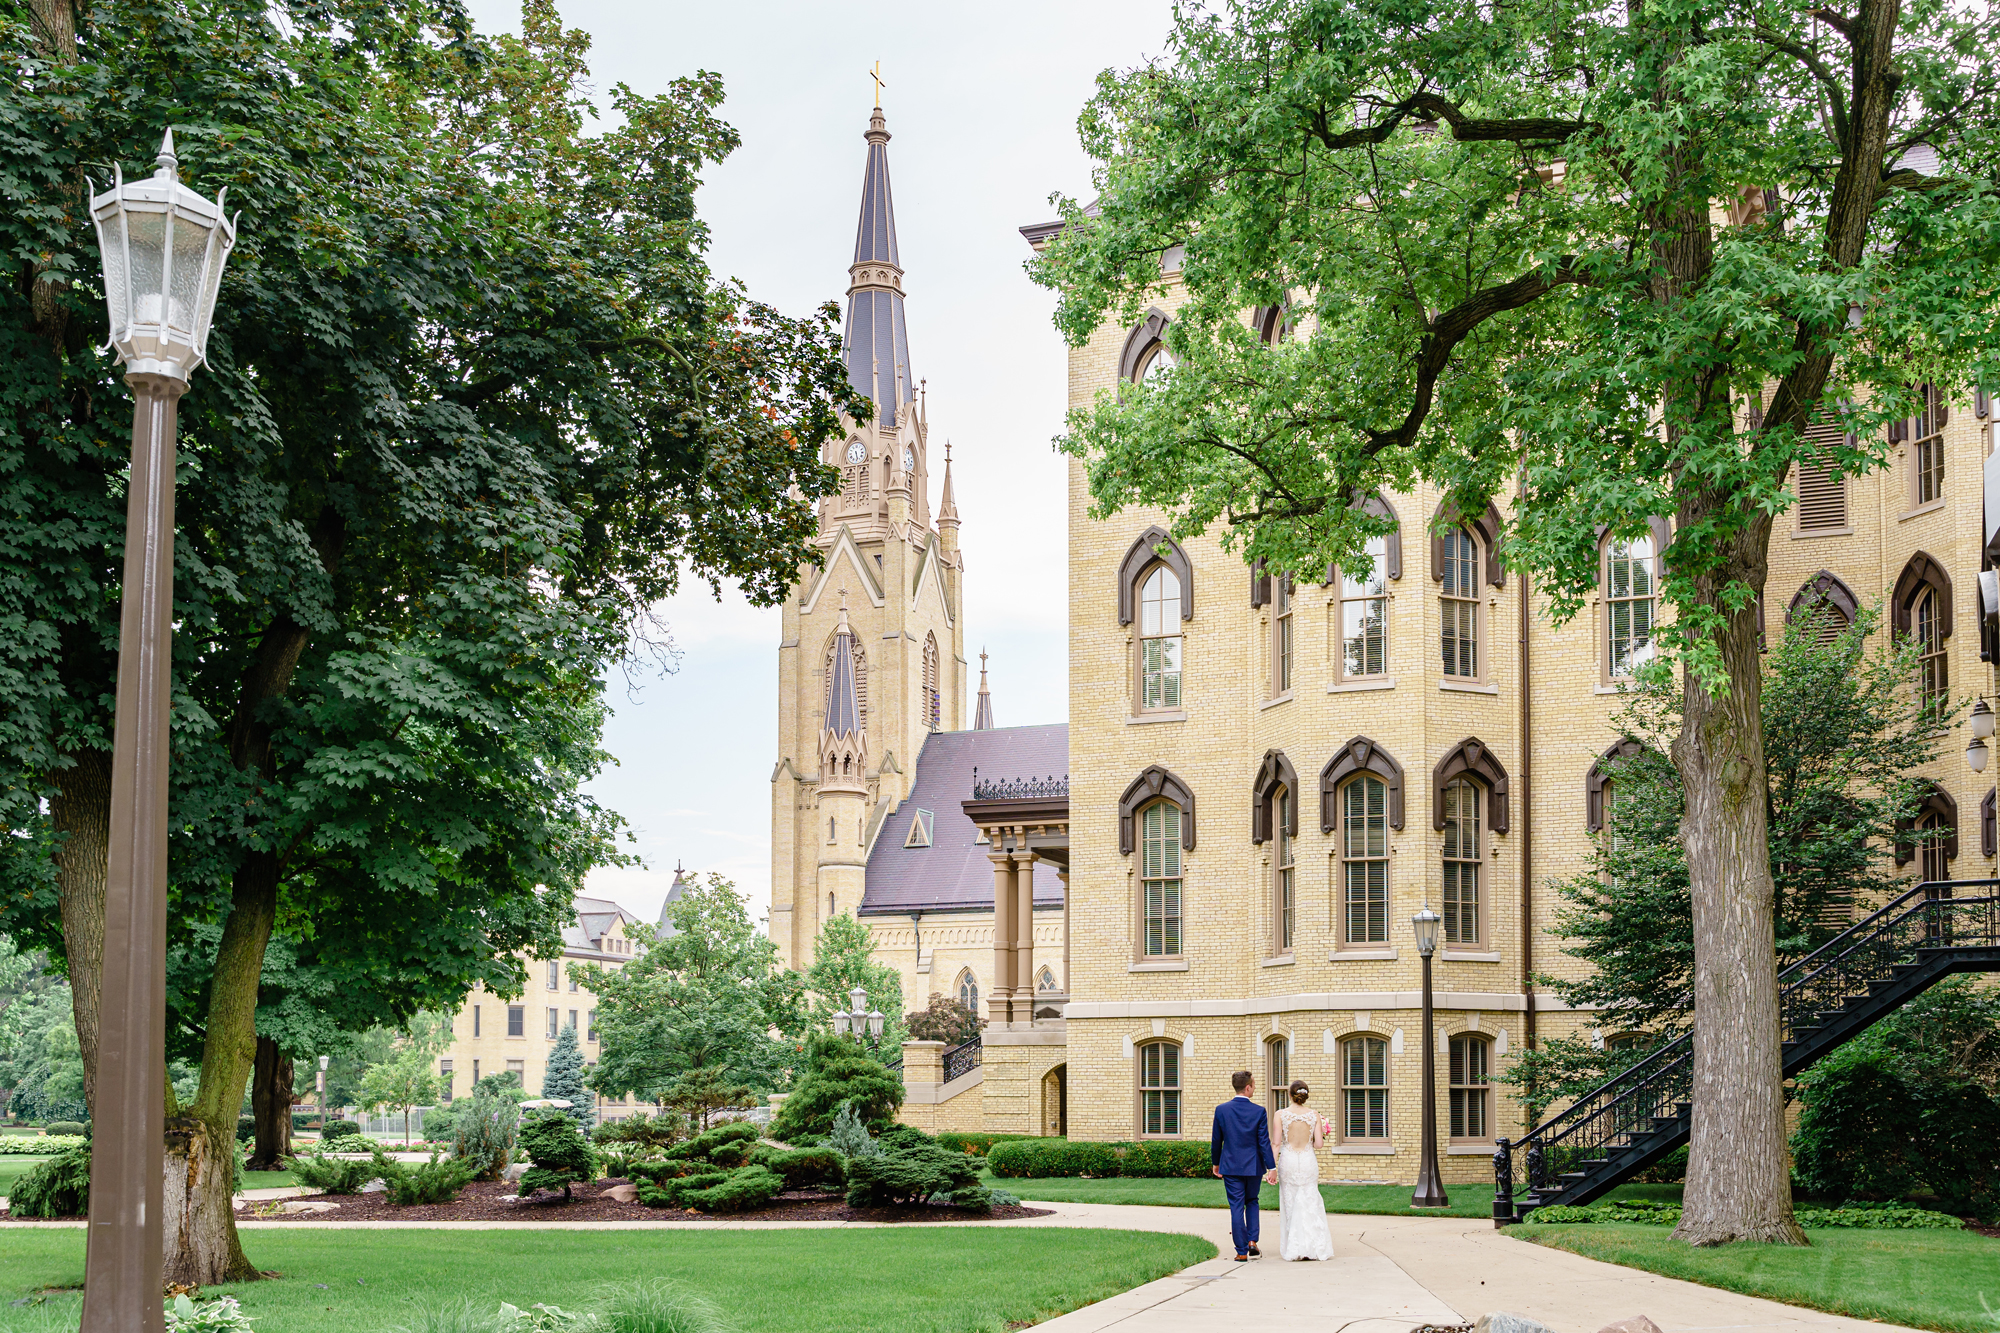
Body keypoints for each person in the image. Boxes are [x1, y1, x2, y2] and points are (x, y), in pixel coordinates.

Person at [1209, 1069, 1277, 1261]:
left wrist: (1216, 1163)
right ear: (1247, 1088)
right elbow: (1264, 1142)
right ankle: (1252, 1241)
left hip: (1230, 1166)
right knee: (1252, 1201)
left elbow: (1216, 1140)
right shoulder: (1259, 1111)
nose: (1254, 1089)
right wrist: (1271, 1167)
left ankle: (1241, 1251)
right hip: (1253, 1166)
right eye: (1254, 1086)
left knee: (1236, 1206)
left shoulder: (1221, 1110)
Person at [1274, 1079, 1335, 1260]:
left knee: (1290, 1201)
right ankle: (1314, 1247)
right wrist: (1322, 1130)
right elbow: (1318, 1145)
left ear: (1290, 1095)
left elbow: (1276, 1143)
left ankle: (1294, 1247)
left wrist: (1271, 1168)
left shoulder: (1280, 1114)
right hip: (1308, 1160)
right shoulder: (1314, 1115)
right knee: (1310, 1200)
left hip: (1289, 1160)